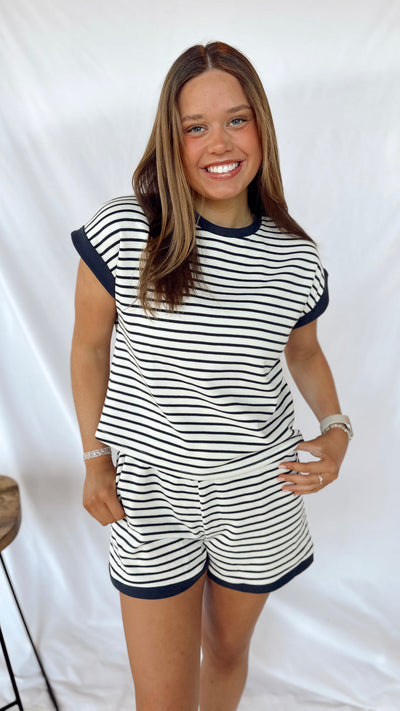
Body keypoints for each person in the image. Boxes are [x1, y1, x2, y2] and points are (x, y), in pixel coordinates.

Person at [70, 41, 352, 711]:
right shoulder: (126, 229)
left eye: (236, 119)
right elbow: (89, 348)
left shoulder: (295, 257)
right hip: (151, 494)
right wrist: (95, 457)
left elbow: (304, 352)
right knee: (162, 699)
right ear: (172, 140)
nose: (219, 143)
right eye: (194, 127)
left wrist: (337, 429)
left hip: (259, 492)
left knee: (225, 652)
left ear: (261, 127)